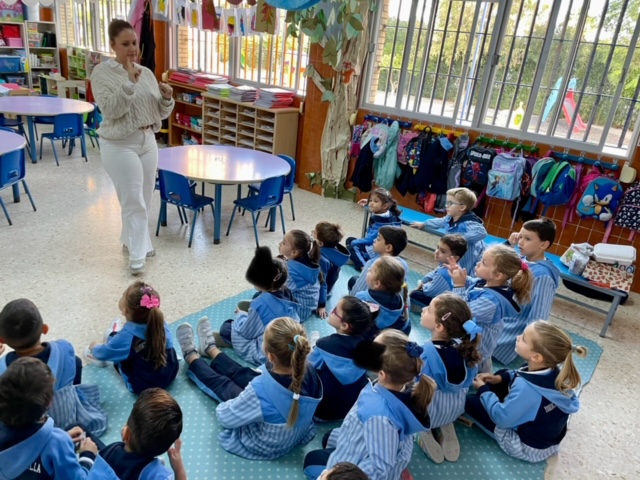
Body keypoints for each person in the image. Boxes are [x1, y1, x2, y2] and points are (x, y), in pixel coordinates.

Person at [90, 19, 175, 275]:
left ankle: (131, 239)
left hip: (148, 140)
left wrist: (167, 99)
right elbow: (111, 111)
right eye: (125, 44)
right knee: (132, 200)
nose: (132, 49)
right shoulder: (101, 74)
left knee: (144, 199)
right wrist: (128, 83)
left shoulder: (146, 72)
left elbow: (158, 111)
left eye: (134, 43)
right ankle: (138, 255)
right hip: (119, 144)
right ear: (113, 45)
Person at [176, 316, 322, 460]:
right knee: (245, 374)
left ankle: (191, 356)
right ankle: (211, 349)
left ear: (271, 356)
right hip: (293, 430)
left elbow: (225, 417)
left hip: (266, 442)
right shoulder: (310, 372)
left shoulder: (258, 390)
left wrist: (231, 403)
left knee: (223, 385)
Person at [303, 330, 436, 480]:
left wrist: (332, 476)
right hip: (366, 437)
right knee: (328, 437)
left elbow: (378, 467)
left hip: (360, 463)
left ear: (382, 374)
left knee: (310, 463)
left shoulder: (379, 416)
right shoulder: (403, 386)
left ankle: (398, 474)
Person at [465, 321, 586, 463]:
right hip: (545, 438)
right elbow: (519, 374)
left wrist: (483, 390)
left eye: (523, 338)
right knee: (502, 375)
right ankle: (495, 390)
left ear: (536, 357)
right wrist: (499, 379)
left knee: (469, 401)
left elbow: (502, 419)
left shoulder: (526, 389)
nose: (517, 337)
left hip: (525, 447)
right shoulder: (553, 370)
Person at [0, 298, 107, 436]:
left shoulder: (3, 369)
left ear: (1, 339)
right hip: (68, 420)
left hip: (32, 429)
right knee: (75, 361)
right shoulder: (63, 348)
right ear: (45, 329)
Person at [0, 357, 98, 479]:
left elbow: (23, 449)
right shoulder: (56, 442)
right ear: (49, 402)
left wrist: (61, 439)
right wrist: (88, 455)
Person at [415, 293, 482, 464]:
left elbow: (413, 385)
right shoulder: (467, 352)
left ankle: (423, 432)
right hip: (454, 410)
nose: (423, 309)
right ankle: (446, 424)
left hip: (428, 413)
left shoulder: (424, 355)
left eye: (429, 310)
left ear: (439, 326)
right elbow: (468, 382)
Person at [449, 245, 534, 372]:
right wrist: (460, 275)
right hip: (466, 347)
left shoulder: (492, 302)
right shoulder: (487, 282)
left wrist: (459, 285)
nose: (478, 264)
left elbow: (460, 313)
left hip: (474, 358)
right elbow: (473, 284)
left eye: (483, 263)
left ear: (498, 275)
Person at [84, 282, 179, 394]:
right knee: (127, 345)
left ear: (125, 310)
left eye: (123, 295)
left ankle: (111, 335)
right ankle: (114, 337)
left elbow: (104, 354)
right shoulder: (160, 323)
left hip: (142, 386)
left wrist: (94, 347)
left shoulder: (127, 337)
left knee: (117, 345)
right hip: (169, 375)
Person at [213, 246, 300, 365]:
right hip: (288, 345)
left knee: (227, 327)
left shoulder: (261, 305)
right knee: (255, 304)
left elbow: (246, 332)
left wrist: (241, 315)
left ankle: (227, 341)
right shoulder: (287, 292)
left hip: (268, 354)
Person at [494, 218, 560, 364]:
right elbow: (492, 261)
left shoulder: (543, 275)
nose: (521, 242)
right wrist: (509, 244)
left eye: (528, 239)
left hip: (511, 330)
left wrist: (527, 344)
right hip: (501, 316)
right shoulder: (522, 259)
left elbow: (539, 316)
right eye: (521, 236)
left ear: (544, 244)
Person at [88, 388, 185, 480]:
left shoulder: (110, 451)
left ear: (126, 434)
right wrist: (178, 469)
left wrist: (127, 441)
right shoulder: (157, 475)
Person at [308, 296, 377, 421]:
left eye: (335, 310)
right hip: (349, 410)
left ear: (344, 325)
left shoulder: (324, 345)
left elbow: (307, 365)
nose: (332, 311)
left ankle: (312, 346)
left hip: (321, 412)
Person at [411, 187, 487, 276]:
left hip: (467, 256)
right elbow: (440, 221)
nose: (446, 205)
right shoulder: (450, 218)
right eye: (446, 202)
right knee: (447, 265)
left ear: (462, 207)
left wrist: (459, 240)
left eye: (450, 203)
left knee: (461, 272)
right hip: (452, 252)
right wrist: (424, 224)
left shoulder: (469, 222)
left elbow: (481, 232)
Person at [346, 188, 402, 270]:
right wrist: (369, 202)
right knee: (350, 240)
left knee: (352, 245)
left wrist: (353, 243)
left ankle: (363, 266)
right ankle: (359, 257)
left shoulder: (382, 224)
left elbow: (369, 240)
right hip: (379, 247)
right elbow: (379, 205)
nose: (371, 203)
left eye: (375, 201)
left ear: (385, 206)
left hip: (376, 251)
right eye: (371, 200)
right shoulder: (389, 214)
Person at [409, 234, 468, 311]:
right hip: (441, 294)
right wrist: (424, 281)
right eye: (437, 247)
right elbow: (432, 274)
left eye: (442, 251)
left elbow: (429, 292)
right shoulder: (449, 264)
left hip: (444, 306)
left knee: (414, 294)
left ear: (455, 257)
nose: (436, 252)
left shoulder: (443, 273)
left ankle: (421, 309)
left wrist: (423, 286)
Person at [355, 256, 410, 334]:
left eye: (370, 270)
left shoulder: (362, 297)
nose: (368, 269)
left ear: (377, 284)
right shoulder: (400, 302)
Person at [348, 226, 408, 295]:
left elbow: (358, 290)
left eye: (378, 239)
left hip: (370, 300)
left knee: (353, 280)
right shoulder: (403, 264)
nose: (374, 240)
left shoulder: (373, 263)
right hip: (391, 300)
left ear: (388, 247)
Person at [279, 229, 323, 322]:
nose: (280, 243)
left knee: (263, 299)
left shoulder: (291, 272)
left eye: (284, 242)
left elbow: (280, 292)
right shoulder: (309, 261)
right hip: (308, 306)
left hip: (298, 313)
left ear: (294, 253)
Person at [314, 221, 350, 318]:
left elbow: (322, 282)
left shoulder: (321, 259)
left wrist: (321, 305)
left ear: (321, 243)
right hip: (330, 286)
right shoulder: (334, 249)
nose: (311, 233)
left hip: (323, 293)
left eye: (314, 233)